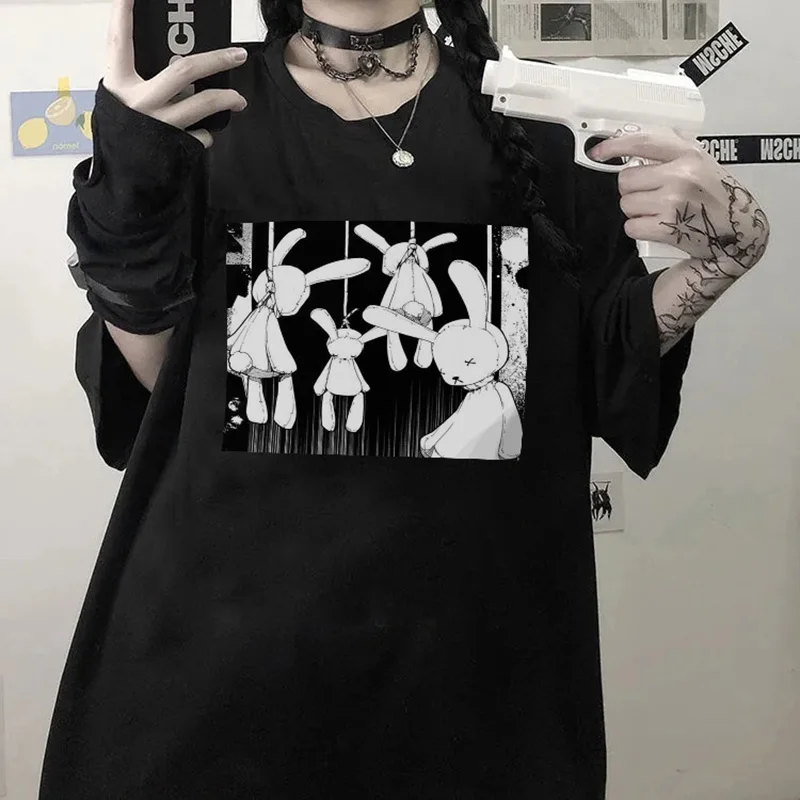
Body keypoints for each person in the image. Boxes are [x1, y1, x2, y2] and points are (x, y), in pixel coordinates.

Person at [39, 0, 770, 796]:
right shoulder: (203, 107)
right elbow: (158, 387)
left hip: (471, 691)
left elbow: (601, 371)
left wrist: (719, 260)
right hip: (217, 680)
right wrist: (132, 190)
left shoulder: (543, 119)